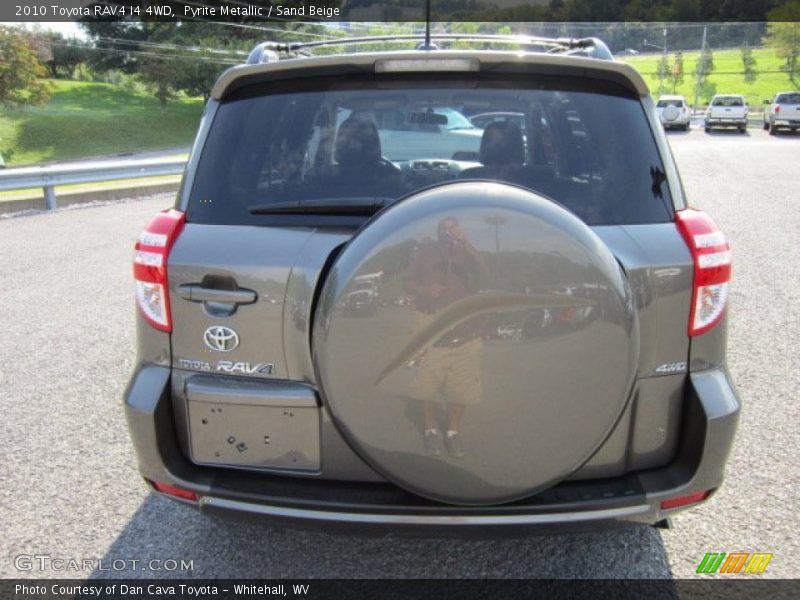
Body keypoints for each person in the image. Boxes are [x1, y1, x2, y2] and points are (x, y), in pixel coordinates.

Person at [402, 217, 488, 458]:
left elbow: (484, 270)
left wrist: (466, 243)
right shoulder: (425, 252)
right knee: (425, 387)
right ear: (438, 232)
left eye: (453, 228)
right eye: (443, 228)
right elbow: (406, 281)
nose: (448, 232)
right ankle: (430, 430)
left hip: (465, 329)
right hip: (429, 326)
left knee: (461, 389)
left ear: (459, 230)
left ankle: (452, 433)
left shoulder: (466, 253)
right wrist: (424, 291)